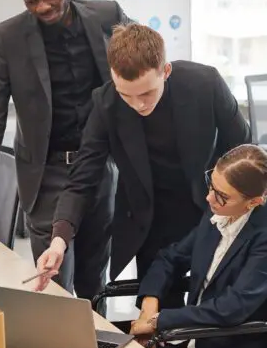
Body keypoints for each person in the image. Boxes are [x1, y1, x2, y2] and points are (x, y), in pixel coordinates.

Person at [33, 23, 251, 307]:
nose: (137, 105)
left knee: (219, 309)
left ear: (166, 71)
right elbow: (82, 180)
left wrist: (233, 205)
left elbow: (244, 149)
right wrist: (59, 241)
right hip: (152, 222)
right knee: (157, 314)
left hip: (214, 209)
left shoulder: (205, 84)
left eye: (146, 93)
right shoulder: (106, 104)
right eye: (126, 95)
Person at [0, 0, 129, 300]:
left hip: (98, 169)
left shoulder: (106, 16)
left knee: (94, 281)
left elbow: (144, 67)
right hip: (46, 174)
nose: (43, 7)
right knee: (51, 284)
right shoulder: (6, 38)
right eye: (30, 0)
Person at [130, 144, 267, 348]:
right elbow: (171, 258)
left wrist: (158, 321)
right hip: (189, 337)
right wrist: (149, 304)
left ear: (254, 202)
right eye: (211, 185)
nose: (209, 198)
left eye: (222, 196)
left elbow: (231, 308)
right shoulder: (219, 213)